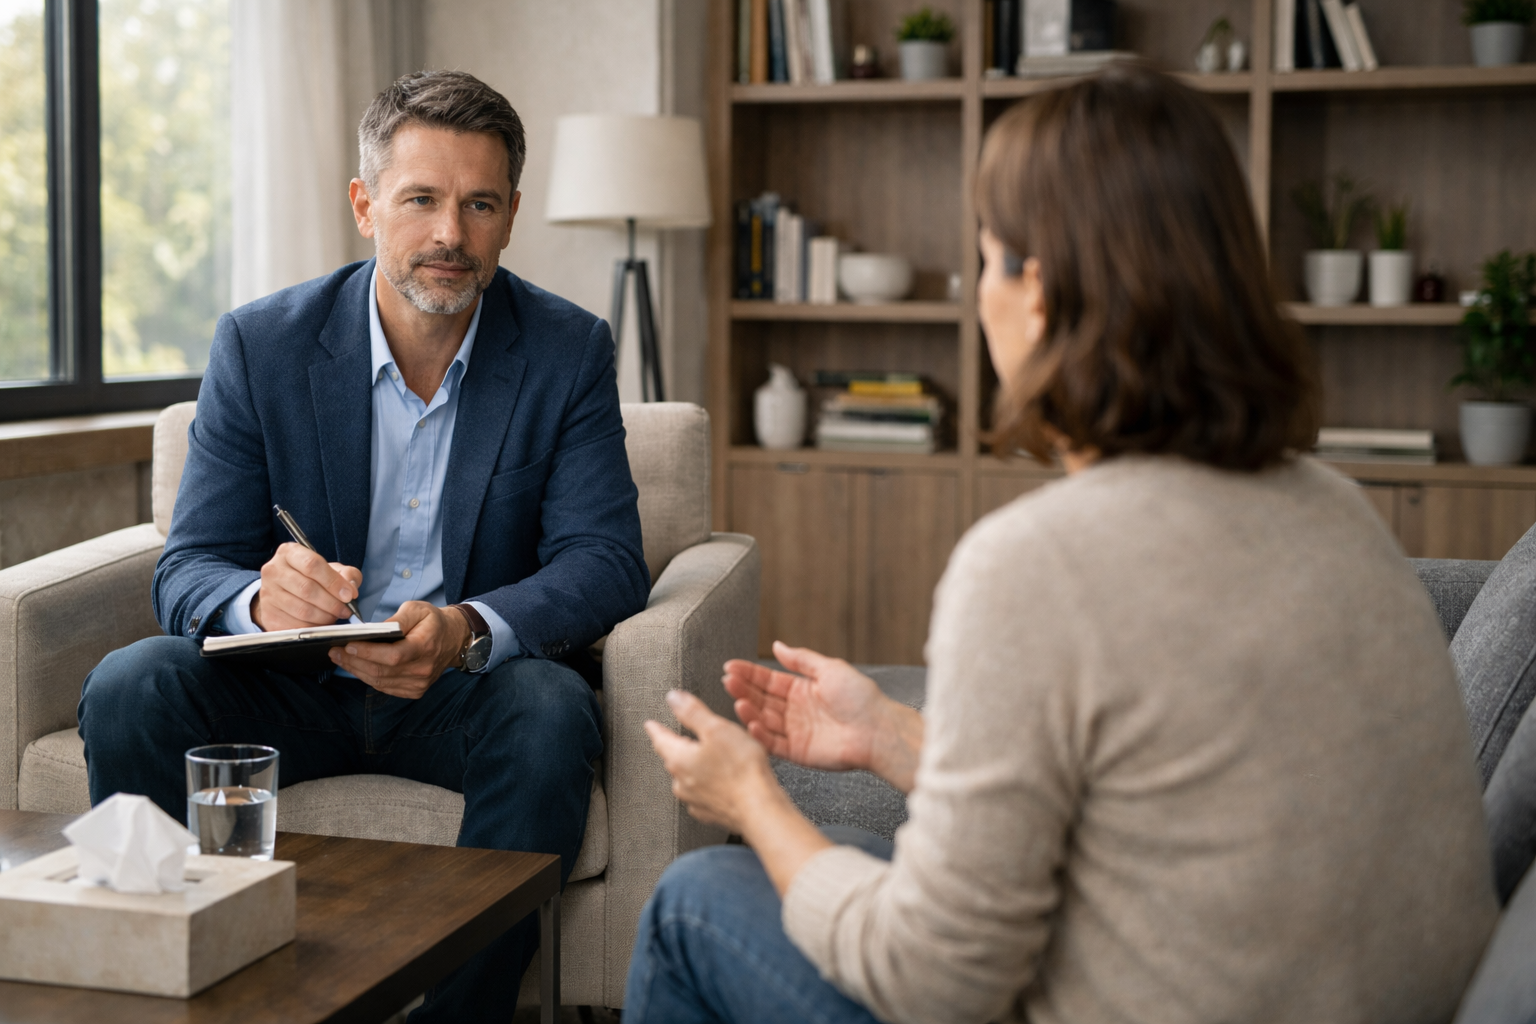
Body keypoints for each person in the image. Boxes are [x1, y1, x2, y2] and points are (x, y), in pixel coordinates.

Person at [627, 63, 1499, 1024]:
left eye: (988, 254)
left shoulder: (1035, 565)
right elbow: (1153, 804)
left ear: (1035, 292)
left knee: (695, 900)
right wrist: (890, 735)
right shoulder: (1336, 509)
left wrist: (755, 803)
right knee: (851, 852)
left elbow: (932, 980)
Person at [77, 70, 650, 1022]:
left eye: (478, 205)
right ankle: (168, 992)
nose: (449, 237)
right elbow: (189, 564)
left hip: (459, 690)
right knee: (133, 684)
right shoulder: (260, 345)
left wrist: (469, 626)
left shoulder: (567, 350)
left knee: (552, 712)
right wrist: (258, 603)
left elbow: (606, 560)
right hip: (286, 688)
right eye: (420, 199)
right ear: (364, 205)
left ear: (512, 215)